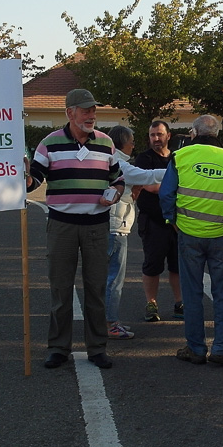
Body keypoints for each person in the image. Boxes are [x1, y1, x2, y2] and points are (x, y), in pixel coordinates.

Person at [27, 88, 124, 370]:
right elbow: (35, 179)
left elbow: (118, 180)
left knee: (95, 289)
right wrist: (23, 178)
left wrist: (116, 193)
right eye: (85, 110)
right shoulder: (49, 143)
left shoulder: (106, 143)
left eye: (93, 110)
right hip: (62, 226)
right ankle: (58, 347)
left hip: (96, 226)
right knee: (60, 288)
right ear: (70, 113)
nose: (91, 115)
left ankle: (97, 348)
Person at [160, 115, 223, 366]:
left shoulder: (182, 157)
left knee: (192, 293)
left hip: (189, 234)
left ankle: (196, 348)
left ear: (193, 133)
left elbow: (167, 193)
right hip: (222, 235)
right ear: (217, 133)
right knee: (222, 293)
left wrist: (172, 221)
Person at [133, 120, 183, 322]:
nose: (156, 138)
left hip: (178, 223)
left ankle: (180, 303)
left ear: (168, 136)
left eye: (159, 134)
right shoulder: (144, 159)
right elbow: (151, 186)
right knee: (152, 265)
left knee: (177, 265)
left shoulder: (178, 159)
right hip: (153, 221)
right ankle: (151, 304)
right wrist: (173, 187)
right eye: (152, 135)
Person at [104, 126, 137, 340]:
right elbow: (148, 178)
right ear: (122, 142)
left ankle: (100, 321)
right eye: (132, 141)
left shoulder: (104, 160)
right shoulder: (121, 163)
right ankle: (110, 323)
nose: (134, 145)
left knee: (101, 277)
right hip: (115, 229)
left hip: (104, 226)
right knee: (113, 279)